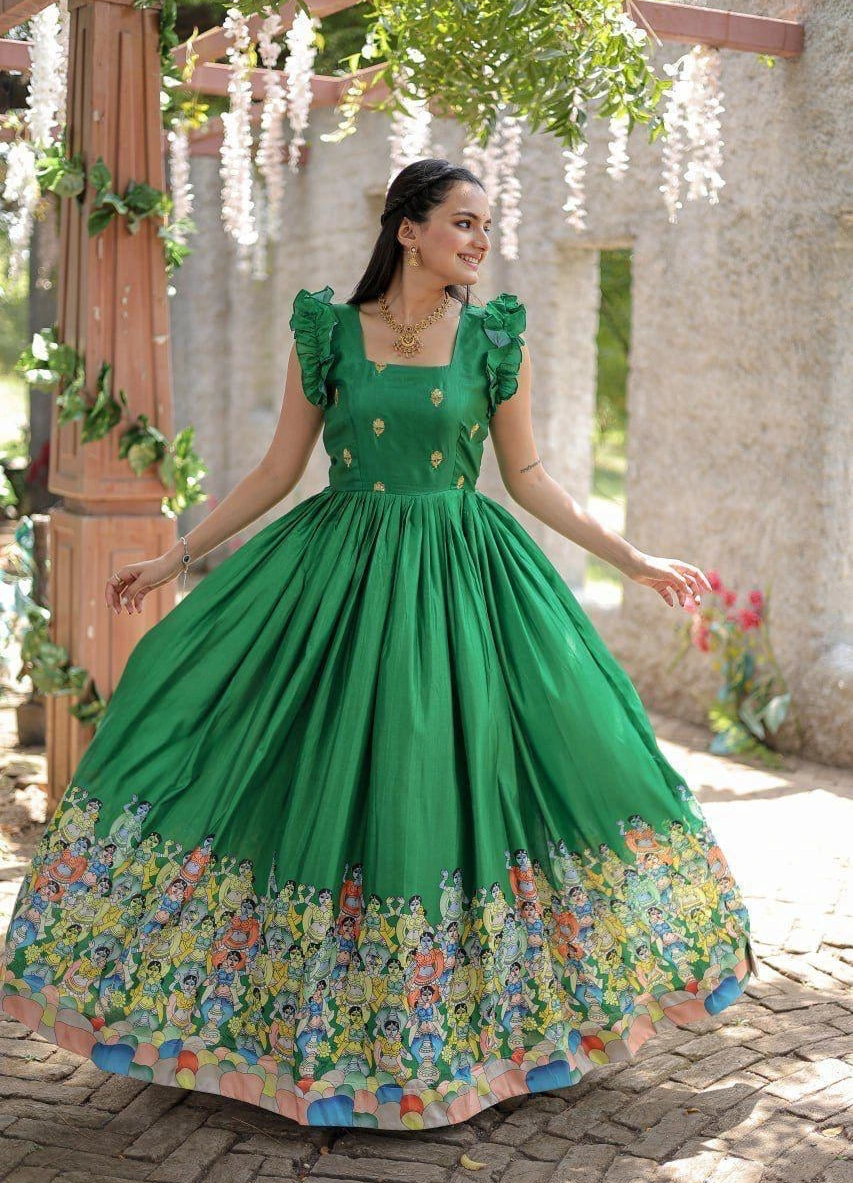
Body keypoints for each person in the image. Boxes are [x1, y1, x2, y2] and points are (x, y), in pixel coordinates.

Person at [0, 157, 758, 1132]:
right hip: (335, 575)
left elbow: (527, 478)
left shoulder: (493, 340)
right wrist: (176, 558)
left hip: (463, 584)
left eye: (486, 227)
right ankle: (280, 1021)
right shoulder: (328, 332)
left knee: (497, 769)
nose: (479, 241)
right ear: (407, 228)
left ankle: (462, 1033)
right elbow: (280, 467)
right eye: (463, 222)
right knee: (278, 755)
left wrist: (630, 555)